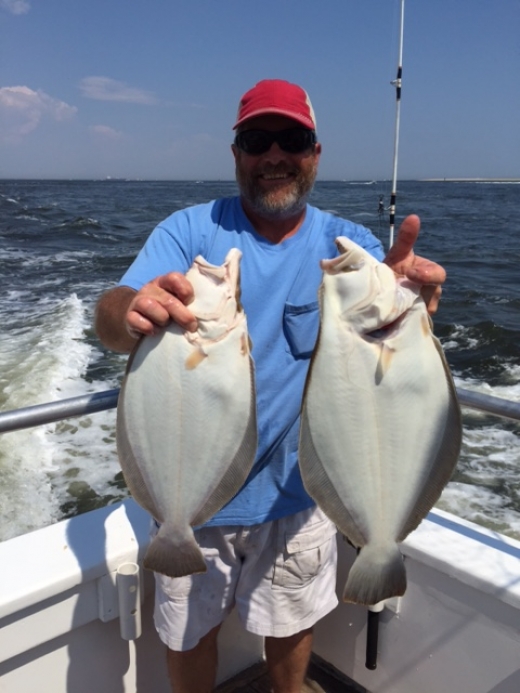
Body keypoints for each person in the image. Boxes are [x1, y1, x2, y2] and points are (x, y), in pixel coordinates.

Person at [95, 79, 446, 693]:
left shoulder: (347, 247)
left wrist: (404, 307)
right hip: (193, 495)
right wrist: (129, 311)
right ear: (237, 154)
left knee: (291, 630)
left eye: (293, 139)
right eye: (258, 140)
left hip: (299, 493)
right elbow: (113, 317)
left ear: (316, 152)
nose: (275, 154)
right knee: (190, 636)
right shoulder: (189, 231)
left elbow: (384, 378)